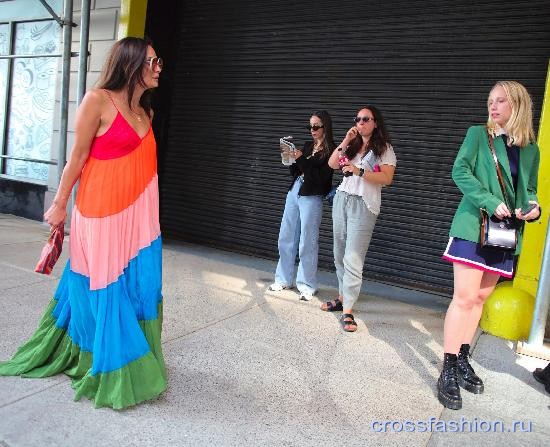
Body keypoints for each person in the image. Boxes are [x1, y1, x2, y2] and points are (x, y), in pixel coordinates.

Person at [0, 37, 166, 409]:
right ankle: (104, 361)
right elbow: (75, 160)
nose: (158, 69)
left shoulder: (146, 111)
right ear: (132, 62)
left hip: (139, 218)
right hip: (100, 213)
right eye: (153, 62)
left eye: (159, 63)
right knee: (103, 282)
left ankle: (123, 350)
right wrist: (59, 205)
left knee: (136, 285)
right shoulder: (98, 101)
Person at [439, 80, 541, 410]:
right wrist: (487, 199)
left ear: (518, 106)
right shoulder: (477, 135)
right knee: (465, 297)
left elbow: (530, 189)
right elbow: (460, 171)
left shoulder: (531, 149)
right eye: (490, 101)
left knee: (481, 297)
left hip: (505, 234)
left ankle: (464, 355)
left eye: (500, 101)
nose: (492, 107)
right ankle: (448, 368)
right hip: (473, 226)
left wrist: (534, 208)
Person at [321, 106, 396, 332]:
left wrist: (359, 171)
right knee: (339, 251)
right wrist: (346, 138)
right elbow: (332, 164)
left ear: (376, 123)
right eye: (358, 119)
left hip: (364, 204)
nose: (361, 122)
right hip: (342, 198)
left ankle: (348, 310)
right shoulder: (352, 144)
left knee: (353, 257)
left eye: (366, 119)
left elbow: (387, 178)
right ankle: (343, 297)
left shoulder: (384, 149)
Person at [269, 111, 335, 301]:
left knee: (308, 240)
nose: (312, 130)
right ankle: (283, 278)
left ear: (325, 127)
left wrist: (300, 159)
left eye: (316, 126)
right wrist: (289, 159)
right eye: (310, 127)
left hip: (312, 195)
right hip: (295, 190)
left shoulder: (331, 150)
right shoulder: (308, 146)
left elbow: (319, 178)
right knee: (286, 235)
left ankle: (307, 285)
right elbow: (297, 171)